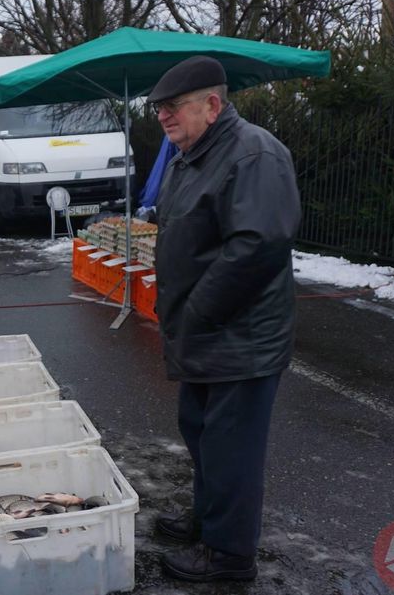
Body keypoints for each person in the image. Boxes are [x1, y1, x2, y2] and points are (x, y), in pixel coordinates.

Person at [148, 56, 300, 583]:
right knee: (201, 433)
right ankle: (209, 520)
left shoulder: (253, 154)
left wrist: (198, 309)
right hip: (204, 334)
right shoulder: (191, 154)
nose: (164, 117)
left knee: (231, 448)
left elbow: (258, 246)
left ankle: (230, 555)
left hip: (239, 336)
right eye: (159, 110)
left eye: (173, 108)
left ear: (212, 105)